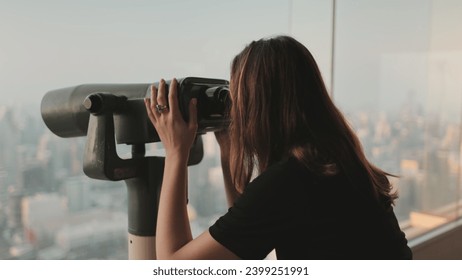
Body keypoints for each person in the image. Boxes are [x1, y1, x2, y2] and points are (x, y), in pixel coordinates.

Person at [144, 35, 412, 260]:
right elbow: (246, 237)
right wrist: (228, 152)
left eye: (239, 98)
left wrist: (176, 152)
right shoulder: (334, 159)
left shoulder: (289, 181)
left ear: (256, 106)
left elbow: (172, 264)